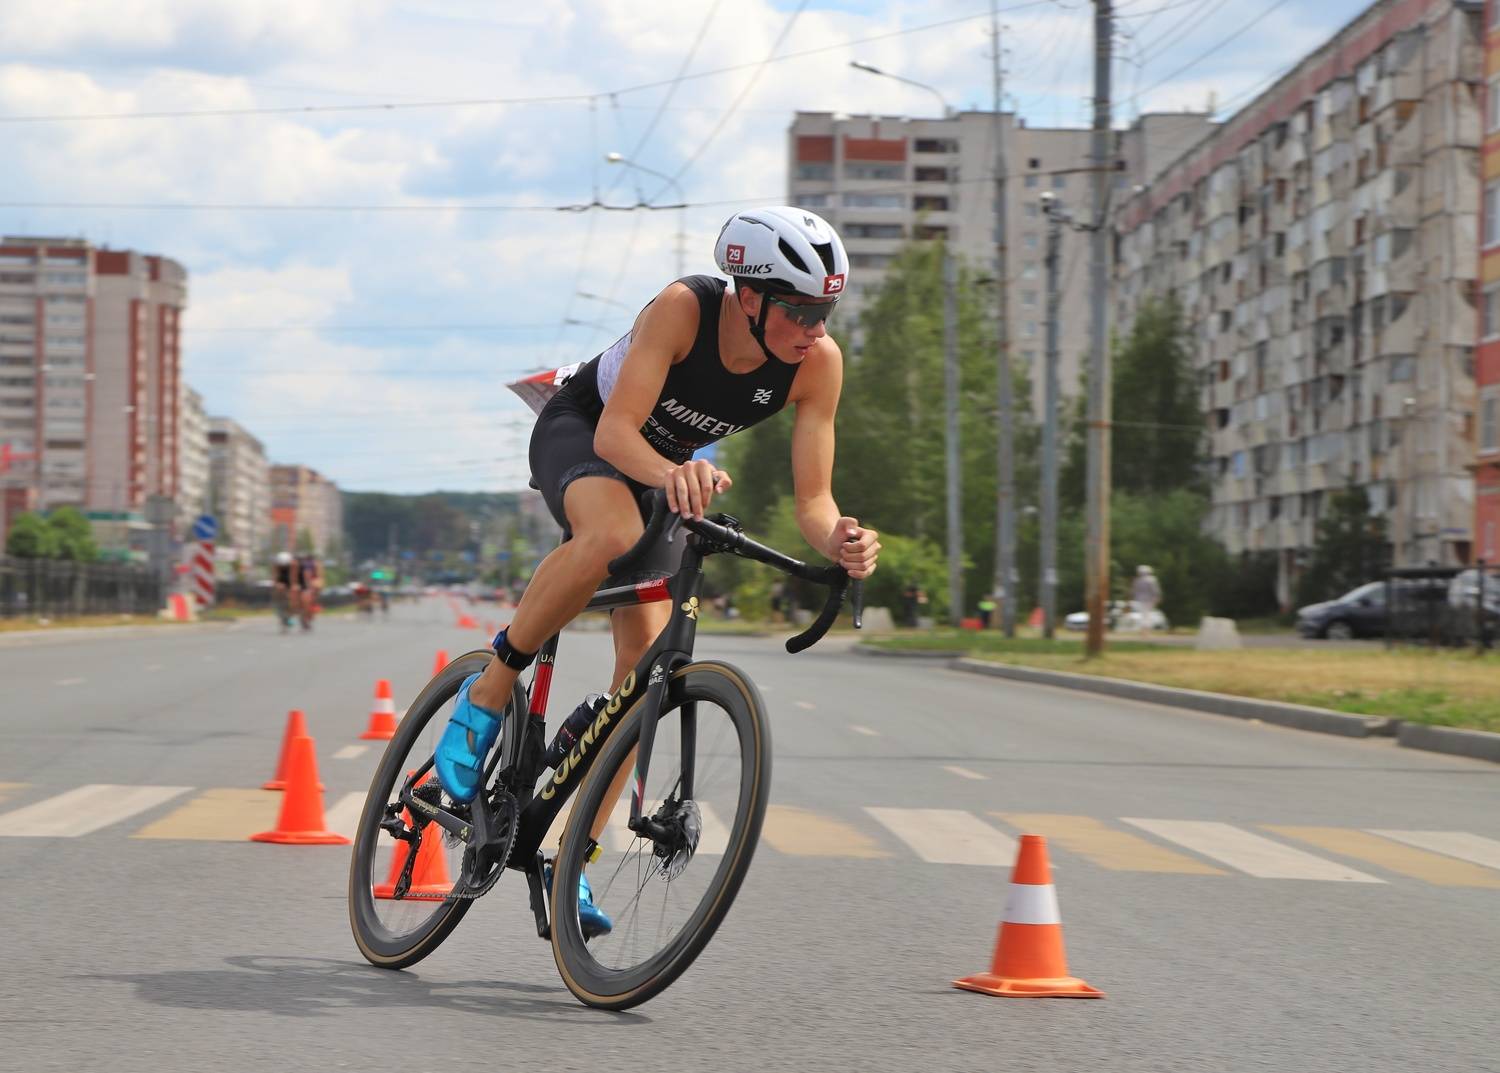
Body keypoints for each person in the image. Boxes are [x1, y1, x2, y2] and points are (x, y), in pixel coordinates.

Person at [433, 207, 882, 938]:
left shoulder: (817, 364)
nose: (814, 328)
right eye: (799, 311)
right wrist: (675, 474)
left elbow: (813, 501)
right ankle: (486, 694)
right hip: (588, 430)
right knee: (611, 531)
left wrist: (843, 539)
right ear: (750, 296)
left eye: (825, 311)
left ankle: (570, 859)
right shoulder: (684, 309)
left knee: (643, 677)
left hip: (668, 472)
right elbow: (617, 433)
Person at [271, 551, 300, 631]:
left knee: (293, 596)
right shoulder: (276, 565)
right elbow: (274, 577)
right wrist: (275, 585)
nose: (283, 567)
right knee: (278, 589)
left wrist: (293, 586)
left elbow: (293, 577)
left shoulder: (294, 565)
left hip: (289, 580)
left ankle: (291, 614)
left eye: (285, 566)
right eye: (282, 566)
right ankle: (279, 608)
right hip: (281, 580)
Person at [1131, 564, 1161, 633]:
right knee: (1147, 614)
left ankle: (1144, 630)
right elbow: (1155, 590)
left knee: (1144, 614)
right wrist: (1157, 597)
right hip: (1149, 600)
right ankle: (1146, 630)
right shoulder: (1152, 579)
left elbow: (1134, 591)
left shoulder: (1137, 580)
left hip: (1140, 599)